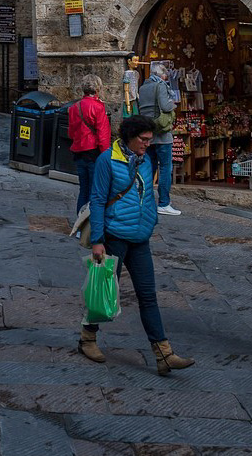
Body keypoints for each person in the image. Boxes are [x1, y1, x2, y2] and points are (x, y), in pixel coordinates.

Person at [80, 115, 194, 376]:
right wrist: (98, 241)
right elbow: (97, 201)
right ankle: (87, 338)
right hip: (115, 236)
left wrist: (151, 219)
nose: (147, 144)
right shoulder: (106, 160)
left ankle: (163, 353)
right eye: (143, 140)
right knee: (104, 291)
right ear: (129, 137)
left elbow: (148, 192)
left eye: (149, 140)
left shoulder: (146, 160)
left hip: (140, 237)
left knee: (148, 295)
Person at [137, 61, 181, 216]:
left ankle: (146, 201)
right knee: (165, 168)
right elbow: (165, 106)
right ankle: (163, 203)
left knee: (149, 168)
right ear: (161, 74)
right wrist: (173, 103)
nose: (166, 77)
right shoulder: (160, 86)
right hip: (162, 134)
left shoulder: (143, 87)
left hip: (148, 132)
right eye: (165, 75)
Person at [67, 77, 111, 214]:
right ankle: (91, 224)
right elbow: (103, 135)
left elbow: (71, 133)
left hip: (79, 152)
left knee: (84, 189)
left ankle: (80, 225)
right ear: (98, 88)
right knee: (95, 190)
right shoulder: (98, 107)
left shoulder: (75, 107)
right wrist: (107, 157)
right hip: (94, 153)